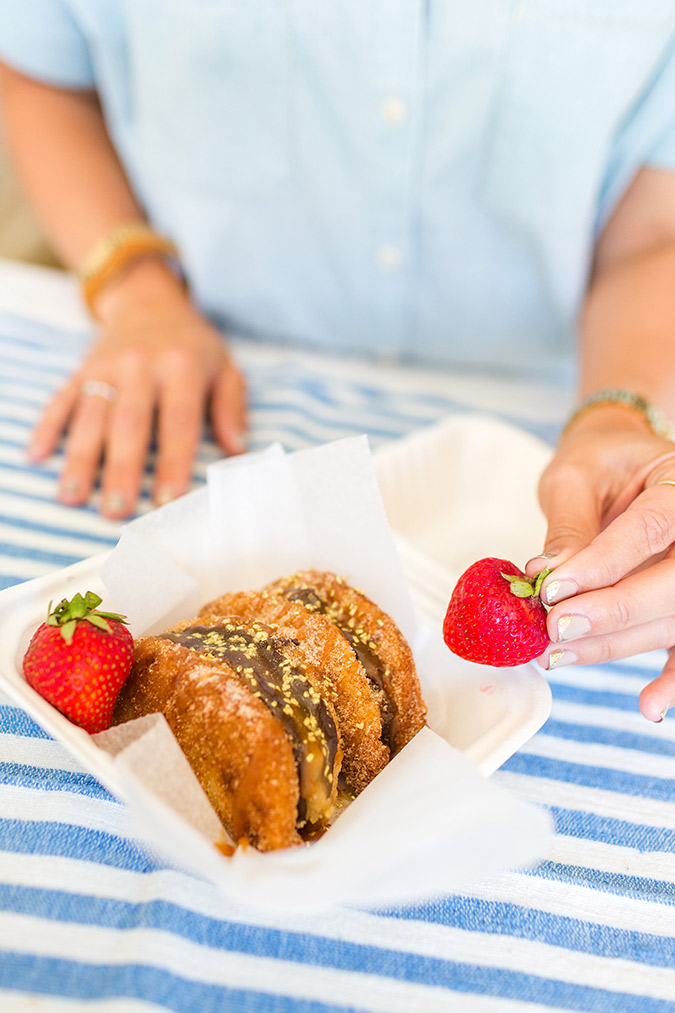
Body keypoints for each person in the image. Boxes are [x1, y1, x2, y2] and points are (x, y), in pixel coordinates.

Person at [1, 2, 675, 724]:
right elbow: (38, 67)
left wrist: (617, 410)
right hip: (202, 367)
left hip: (531, 427)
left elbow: (651, 227)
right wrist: (137, 290)